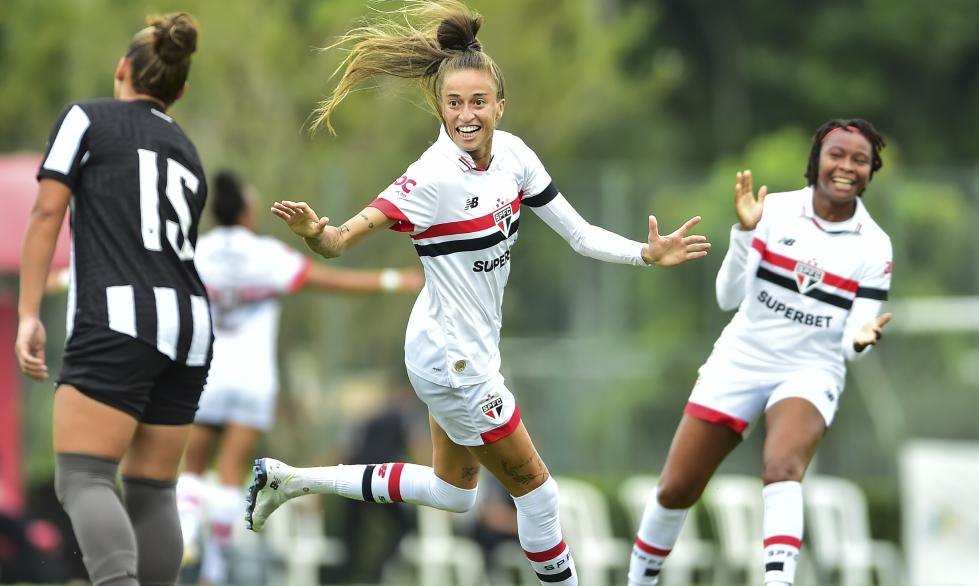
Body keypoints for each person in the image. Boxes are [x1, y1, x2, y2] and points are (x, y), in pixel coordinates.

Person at [243, 2, 710, 585]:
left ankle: (290, 479)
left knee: (454, 493)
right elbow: (340, 240)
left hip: (461, 349)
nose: (467, 115)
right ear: (439, 108)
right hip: (450, 358)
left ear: (499, 105)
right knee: (539, 495)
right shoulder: (430, 176)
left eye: (478, 102)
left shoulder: (514, 155)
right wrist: (318, 233)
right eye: (454, 103)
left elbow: (581, 234)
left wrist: (644, 252)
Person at [626, 119, 894, 586]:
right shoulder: (773, 210)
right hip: (742, 358)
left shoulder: (875, 246)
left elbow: (856, 338)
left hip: (811, 369)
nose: (846, 166)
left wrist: (862, 339)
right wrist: (746, 233)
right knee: (676, 488)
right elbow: (726, 298)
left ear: (872, 171)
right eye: (836, 155)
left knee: (782, 466)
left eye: (860, 160)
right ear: (816, 161)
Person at [15, 13, 208, 586]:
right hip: (191, 326)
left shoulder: (87, 118)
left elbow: (47, 211)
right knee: (153, 490)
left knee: (83, 477)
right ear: (180, 90)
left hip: (120, 317)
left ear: (122, 69)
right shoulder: (186, 149)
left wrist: (28, 313)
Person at [175, 170, 423, 585]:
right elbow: (329, 280)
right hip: (252, 381)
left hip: (206, 372)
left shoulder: (199, 252)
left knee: (194, 465)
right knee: (232, 470)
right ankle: (214, 571)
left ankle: (184, 530)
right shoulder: (265, 256)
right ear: (249, 212)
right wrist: (395, 280)